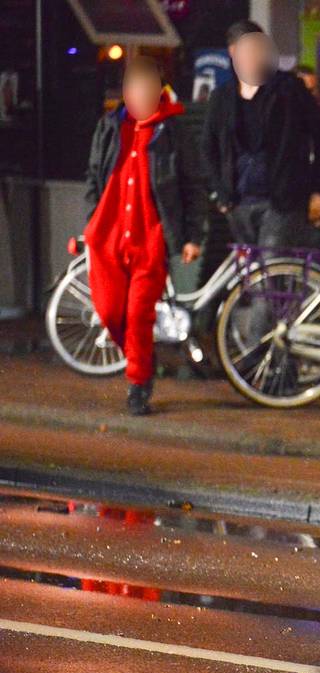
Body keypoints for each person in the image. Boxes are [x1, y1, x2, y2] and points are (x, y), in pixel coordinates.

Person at [82, 56, 205, 415]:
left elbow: (193, 187)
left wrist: (191, 235)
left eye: (146, 89)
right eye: (132, 90)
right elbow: (93, 176)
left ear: (158, 89)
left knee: (138, 315)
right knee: (108, 311)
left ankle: (138, 383)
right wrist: (92, 221)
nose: (139, 97)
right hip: (107, 237)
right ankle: (142, 358)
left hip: (150, 239)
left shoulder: (174, 131)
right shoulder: (109, 127)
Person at [200, 22, 320, 250]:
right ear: (233, 53)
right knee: (252, 272)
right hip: (239, 202)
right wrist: (221, 192)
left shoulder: (288, 89)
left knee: (269, 270)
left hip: (282, 202)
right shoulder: (222, 97)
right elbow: (208, 147)